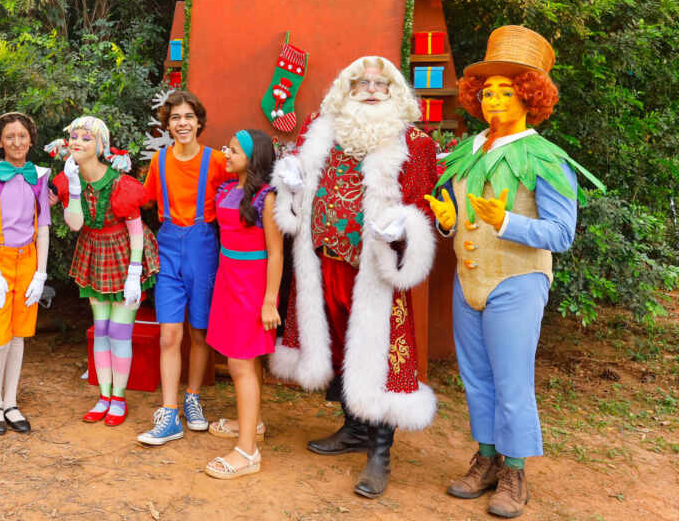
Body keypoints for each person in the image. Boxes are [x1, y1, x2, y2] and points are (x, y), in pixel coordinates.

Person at [427, 26, 602, 519]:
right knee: (476, 378)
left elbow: (561, 234)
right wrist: (448, 224)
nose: (493, 99)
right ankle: (485, 459)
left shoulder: (546, 158)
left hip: (517, 281)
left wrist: (506, 221)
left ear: (529, 96)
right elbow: (463, 218)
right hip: (469, 281)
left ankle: (515, 470)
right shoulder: (467, 153)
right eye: (487, 91)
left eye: (506, 90)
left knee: (512, 380)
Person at [269, 56, 438, 498]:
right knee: (341, 346)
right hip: (322, 261)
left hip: (373, 272)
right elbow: (299, 189)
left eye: (380, 85)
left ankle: (379, 453)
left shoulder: (414, 141)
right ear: (345, 89)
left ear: (394, 92)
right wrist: (288, 183)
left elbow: (422, 206)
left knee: (377, 354)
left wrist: (403, 227)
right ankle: (353, 428)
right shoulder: (320, 131)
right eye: (360, 82)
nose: (370, 89)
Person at [49, 116, 160, 427]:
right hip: (94, 251)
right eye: (73, 136)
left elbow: (136, 228)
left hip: (125, 253)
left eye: (86, 138)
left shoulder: (120, 183)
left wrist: (135, 272)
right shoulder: (70, 179)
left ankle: (119, 398)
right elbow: (75, 224)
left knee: (119, 331)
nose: (77, 142)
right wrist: (72, 186)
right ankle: (103, 395)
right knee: (101, 329)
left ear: (100, 146)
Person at [137, 90, 230, 446]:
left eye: (188, 117)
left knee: (199, 332)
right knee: (169, 334)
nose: (182, 123)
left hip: (204, 247)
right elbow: (143, 200)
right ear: (168, 124)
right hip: (170, 248)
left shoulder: (218, 160)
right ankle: (169, 411)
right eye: (175, 118)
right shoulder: (160, 162)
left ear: (199, 122)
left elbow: (243, 190)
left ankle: (192, 396)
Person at [203, 129, 284, 479]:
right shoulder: (226, 188)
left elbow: (276, 253)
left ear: (254, 157)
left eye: (234, 149)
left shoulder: (266, 198)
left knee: (240, 362)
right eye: (227, 147)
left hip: (252, 285)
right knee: (245, 359)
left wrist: (269, 300)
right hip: (228, 278)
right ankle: (254, 423)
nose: (227, 153)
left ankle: (247, 452)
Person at [0, 112, 52, 435]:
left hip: (28, 259)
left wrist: (41, 274)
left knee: (18, 336)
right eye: (10, 137)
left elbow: (43, 227)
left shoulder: (41, 175)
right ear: (0, 143)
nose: (17, 142)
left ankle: (10, 401)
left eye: (22, 136)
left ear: (31, 140)